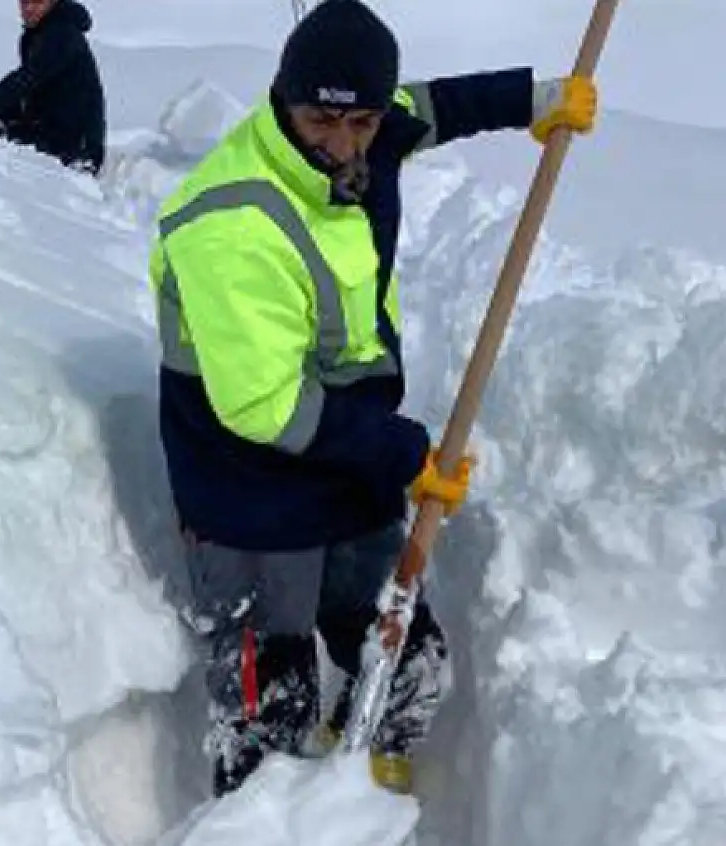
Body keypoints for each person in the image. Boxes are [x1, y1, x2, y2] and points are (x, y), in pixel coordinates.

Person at [148, 0, 597, 797]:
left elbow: (429, 108)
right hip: (247, 483)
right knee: (267, 690)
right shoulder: (232, 222)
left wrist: (538, 99)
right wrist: (408, 453)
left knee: (405, 655)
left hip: (346, 450)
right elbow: (266, 411)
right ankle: (266, 807)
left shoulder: (367, 133)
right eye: (322, 121)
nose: (342, 145)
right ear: (285, 100)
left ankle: (372, 771)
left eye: (359, 123)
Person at [0, 0, 106, 176]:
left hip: (76, 148)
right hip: (52, 130)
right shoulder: (39, 34)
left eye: (37, 2)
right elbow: (31, 90)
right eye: (24, 2)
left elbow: (27, 79)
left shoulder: (62, 34)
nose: (28, 8)